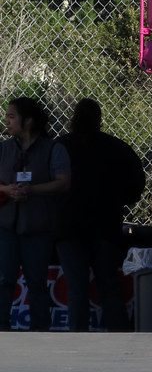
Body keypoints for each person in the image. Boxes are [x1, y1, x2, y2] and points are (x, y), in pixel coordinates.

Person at [56, 98, 146, 332]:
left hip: (69, 227)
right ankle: (118, 336)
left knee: (76, 287)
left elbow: (47, 183)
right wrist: (119, 201)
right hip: (105, 225)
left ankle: (78, 337)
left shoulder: (61, 147)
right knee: (109, 284)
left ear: (73, 118)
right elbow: (137, 183)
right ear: (99, 120)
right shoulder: (116, 148)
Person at [0, 96, 71, 331]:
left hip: (38, 228)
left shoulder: (54, 149)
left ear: (28, 120)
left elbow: (62, 183)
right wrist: (7, 190)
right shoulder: (4, 149)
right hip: (7, 227)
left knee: (37, 282)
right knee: (4, 280)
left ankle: (40, 330)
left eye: (12, 116)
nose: (7, 121)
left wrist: (33, 190)